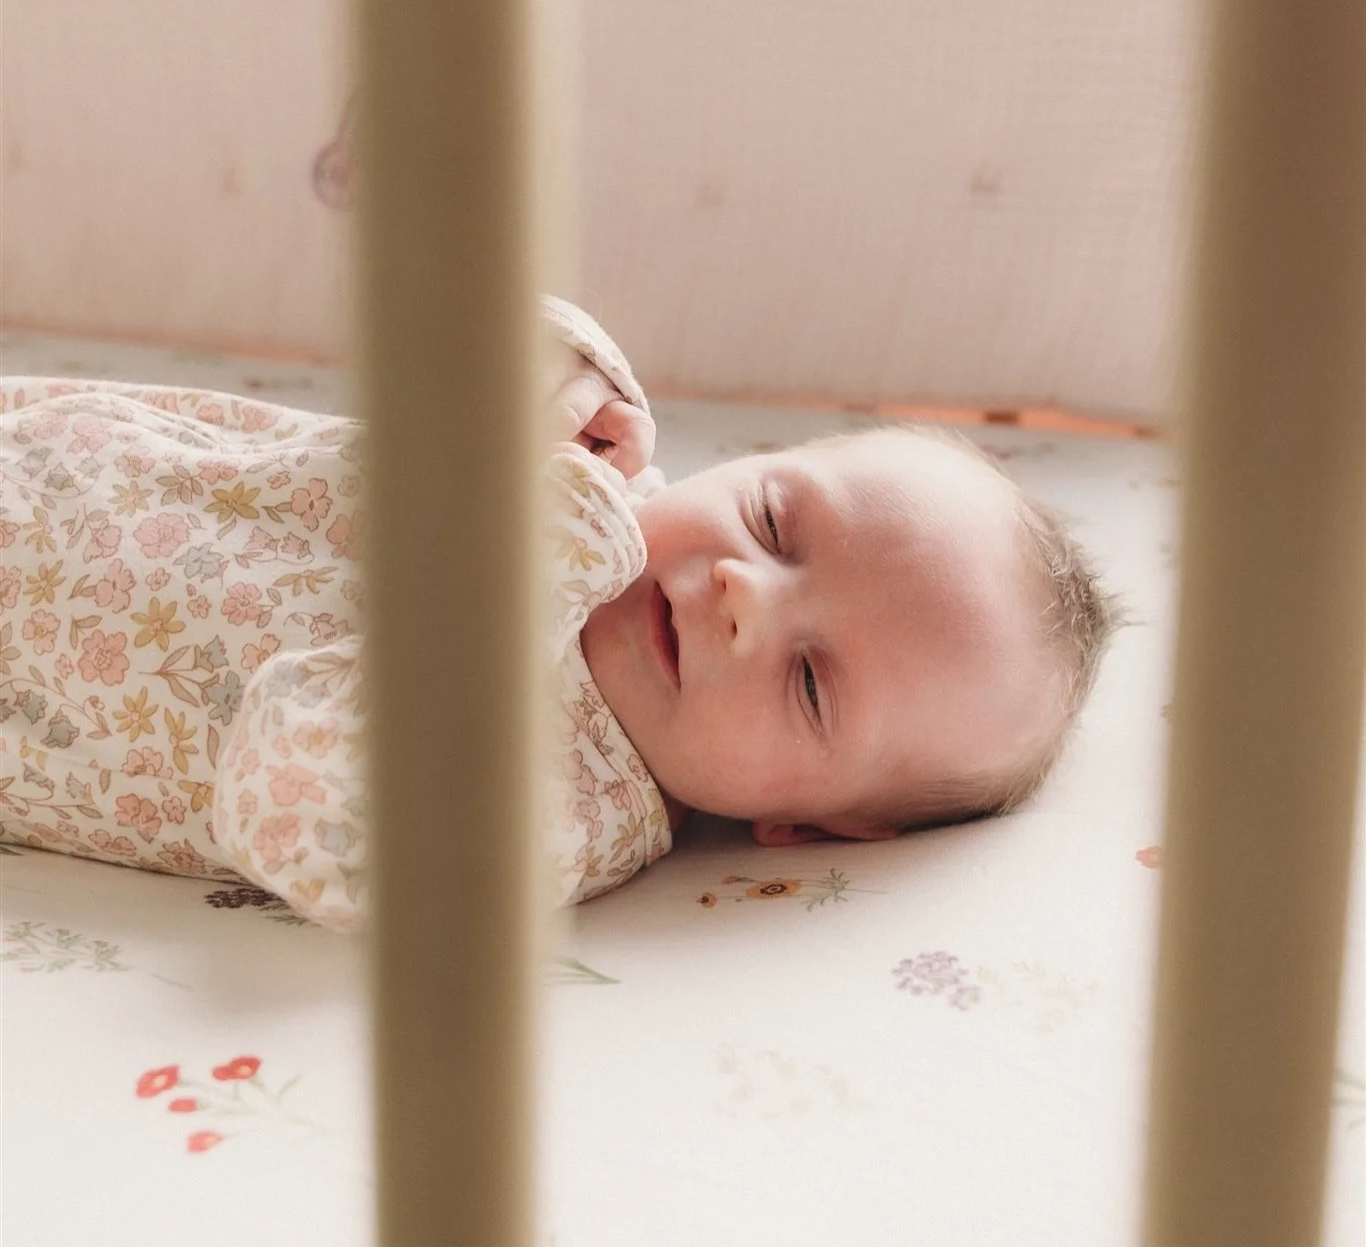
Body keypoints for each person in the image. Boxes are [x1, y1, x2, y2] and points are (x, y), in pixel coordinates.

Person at [0, 301, 1115, 927]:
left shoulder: (571, 811)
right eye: (774, 520)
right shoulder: (590, 481)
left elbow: (298, 817)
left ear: (810, 827)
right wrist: (570, 384)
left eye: (811, 681)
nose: (746, 595)